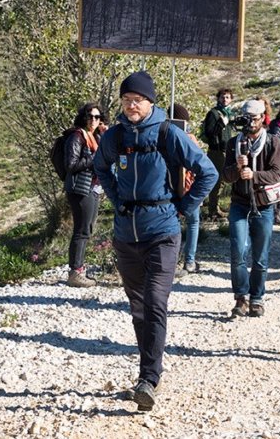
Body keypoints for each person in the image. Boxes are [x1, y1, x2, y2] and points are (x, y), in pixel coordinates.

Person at [93, 71, 219, 412]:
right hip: (125, 235)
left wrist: (184, 207)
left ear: (151, 102)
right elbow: (100, 167)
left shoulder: (168, 133)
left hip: (162, 231)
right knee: (138, 308)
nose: (131, 106)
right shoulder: (115, 136)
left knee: (154, 301)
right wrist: (117, 200)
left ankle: (149, 378)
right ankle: (147, 371)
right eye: (126, 100)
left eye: (137, 100)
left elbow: (209, 172)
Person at [222, 99, 280, 318]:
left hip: (264, 205)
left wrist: (254, 175)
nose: (250, 123)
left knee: (260, 256)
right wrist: (237, 167)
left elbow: (277, 174)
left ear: (262, 118)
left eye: (254, 119)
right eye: (247, 119)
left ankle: (257, 298)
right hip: (239, 203)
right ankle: (241, 297)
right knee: (238, 252)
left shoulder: (273, 142)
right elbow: (226, 177)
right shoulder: (233, 143)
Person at [63, 102, 104, 288]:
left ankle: (78, 269)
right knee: (81, 229)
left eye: (97, 117)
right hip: (80, 189)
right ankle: (75, 272)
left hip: (92, 188)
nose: (94, 120)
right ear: (83, 117)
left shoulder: (93, 137)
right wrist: (93, 158)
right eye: (90, 116)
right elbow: (71, 165)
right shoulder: (77, 136)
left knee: (87, 228)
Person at [168, 103, 208, 275]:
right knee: (193, 223)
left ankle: (172, 260)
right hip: (189, 187)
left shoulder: (164, 135)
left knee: (174, 224)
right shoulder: (190, 138)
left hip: (170, 187)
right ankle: (189, 261)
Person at [202, 89, 235, 217]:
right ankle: (213, 210)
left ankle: (215, 207)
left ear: (231, 99)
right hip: (216, 151)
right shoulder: (213, 113)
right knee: (217, 180)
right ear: (218, 98)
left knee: (223, 180)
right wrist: (221, 124)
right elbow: (210, 133)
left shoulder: (228, 114)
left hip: (226, 150)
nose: (224, 99)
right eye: (222, 97)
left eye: (227, 97)